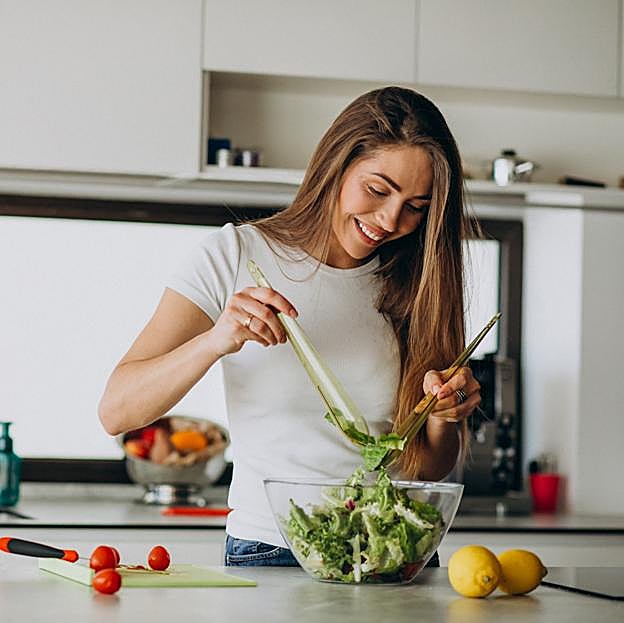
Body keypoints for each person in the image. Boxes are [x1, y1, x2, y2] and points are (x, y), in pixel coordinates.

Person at [98, 86, 481, 568]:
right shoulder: (236, 256)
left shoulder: (418, 282)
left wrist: (446, 416)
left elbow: (424, 465)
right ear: (336, 167)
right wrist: (216, 339)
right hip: (274, 548)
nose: (389, 219)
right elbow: (117, 411)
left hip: (397, 550)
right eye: (377, 190)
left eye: (416, 207)